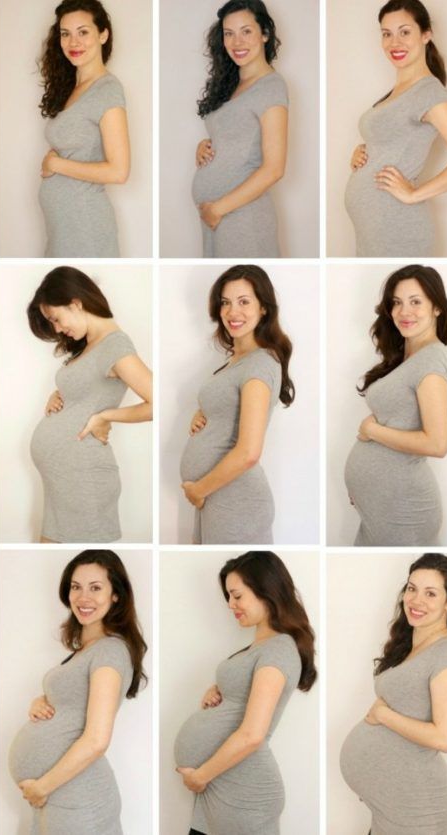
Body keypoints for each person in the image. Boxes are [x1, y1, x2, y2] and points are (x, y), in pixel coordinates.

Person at [174, 551, 316, 835]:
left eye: (237, 596)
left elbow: (252, 734)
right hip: (223, 784)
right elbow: (245, 698)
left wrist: (200, 776)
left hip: (243, 793)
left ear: (266, 591)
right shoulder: (261, 647)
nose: (230, 604)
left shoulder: (278, 648)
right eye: (228, 596)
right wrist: (218, 692)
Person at [8, 550, 147, 835]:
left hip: (77, 797)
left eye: (96, 588)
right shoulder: (87, 650)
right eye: (76, 587)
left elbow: (97, 740)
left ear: (116, 595)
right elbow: (75, 705)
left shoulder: (110, 650)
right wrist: (42, 702)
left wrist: (41, 787)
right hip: (59, 795)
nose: (83, 597)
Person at [340, 553, 447, 835]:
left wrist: (384, 715)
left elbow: (444, 738)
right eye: (411, 588)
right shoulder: (408, 644)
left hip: (417, 808)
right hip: (394, 802)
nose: (416, 600)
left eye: (430, 593)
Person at [28, 266, 152, 543]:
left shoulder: (115, 345)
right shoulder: (89, 344)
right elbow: (88, 389)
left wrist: (106, 416)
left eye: (56, 319)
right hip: (64, 482)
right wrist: (58, 394)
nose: (58, 329)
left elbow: (158, 402)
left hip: (85, 482)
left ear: (76, 303)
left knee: (81, 565)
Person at [344, 0, 447, 257]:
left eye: (405, 32)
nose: (394, 43)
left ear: (426, 35)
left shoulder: (428, 92)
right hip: (375, 229)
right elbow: (395, 139)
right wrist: (364, 151)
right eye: (386, 34)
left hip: (397, 227)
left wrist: (414, 195)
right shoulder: (397, 92)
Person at [180, 264, 293, 544]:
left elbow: (249, 453)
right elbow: (229, 406)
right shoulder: (238, 361)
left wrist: (199, 491)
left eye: (244, 302)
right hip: (217, 494)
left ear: (264, 308)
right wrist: (204, 414)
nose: (233, 312)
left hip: (234, 500)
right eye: (226, 303)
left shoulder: (259, 364)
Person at [344, 264, 447, 546]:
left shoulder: (431, 360)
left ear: (436, 307)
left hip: (405, 510)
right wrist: (367, 489)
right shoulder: (406, 358)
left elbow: (437, 444)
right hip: (384, 507)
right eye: (397, 302)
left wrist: (371, 431)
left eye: (416, 302)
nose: (405, 312)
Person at [192, 0, 288, 258]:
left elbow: (274, 168)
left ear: (264, 34)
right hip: (218, 217)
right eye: (229, 33)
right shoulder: (231, 85)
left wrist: (218, 209)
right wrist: (205, 146)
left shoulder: (271, 87)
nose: (237, 42)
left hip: (243, 218)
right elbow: (235, 136)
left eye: (246, 31)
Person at [38, 0, 130, 256]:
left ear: (103, 34)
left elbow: (119, 171)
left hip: (85, 226)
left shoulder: (108, 90)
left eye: (83, 32)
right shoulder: (71, 89)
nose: (73, 42)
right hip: (64, 227)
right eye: (65, 34)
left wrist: (55, 165)